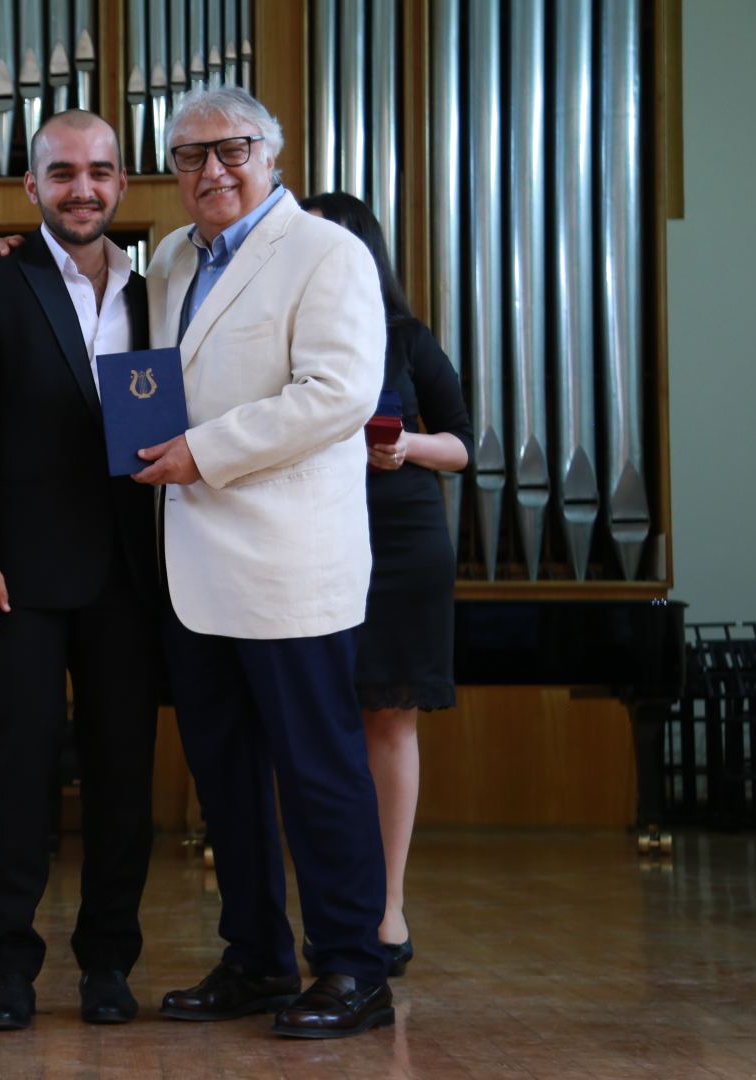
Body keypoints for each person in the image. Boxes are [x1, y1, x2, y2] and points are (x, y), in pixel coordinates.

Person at [134, 86, 394, 1038]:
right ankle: (256, 959)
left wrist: (206, 451)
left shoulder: (327, 253)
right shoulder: (167, 259)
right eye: (190, 157)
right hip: (190, 565)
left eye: (232, 150)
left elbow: (337, 394)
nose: (212, 172)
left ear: (273, 155)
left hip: (290, 563)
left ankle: (356, 970)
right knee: (226, 779)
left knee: (318, 774)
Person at [0, 110, 161, 1032]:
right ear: (32, 187)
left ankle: (109, 962)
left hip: (135, 578)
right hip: (14, 577)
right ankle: (8, 967)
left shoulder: (156, 289)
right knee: (18, 772)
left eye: (99, 171)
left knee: (122, 776)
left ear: (121, 184)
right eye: (63, 173)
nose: (83, 188)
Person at [300, 191, 472, 977]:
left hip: (401, 539)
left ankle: (388, 905)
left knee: (390, 723)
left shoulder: (405, 337)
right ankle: (329, 905)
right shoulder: (284, 338)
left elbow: (464, 446)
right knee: (312, 728)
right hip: (305, 538)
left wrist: (407, 445)